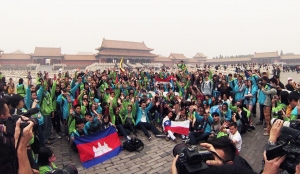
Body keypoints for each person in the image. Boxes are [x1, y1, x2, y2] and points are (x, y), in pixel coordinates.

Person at [171, 137, 254, 174]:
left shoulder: (242, 167)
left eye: (214, 160)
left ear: (229, 164)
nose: (208, 162)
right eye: (209, 156)